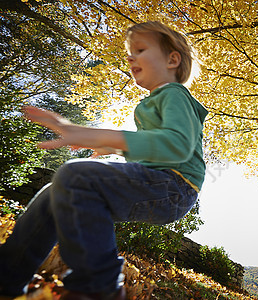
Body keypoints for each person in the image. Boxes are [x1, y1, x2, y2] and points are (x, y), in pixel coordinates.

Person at [0, 20, 208, 300]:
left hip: (174, 188)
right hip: (162, 185)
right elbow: (156, 148)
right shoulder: (153, 104)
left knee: (75, 175)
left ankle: (98, 286)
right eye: (129, 52)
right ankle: (7, 277)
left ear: (172, 59)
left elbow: (176, 147)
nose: (131, 57)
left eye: (141, 49)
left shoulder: (174, 95)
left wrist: (102, 137)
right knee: (56, 194)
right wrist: (116, 150)